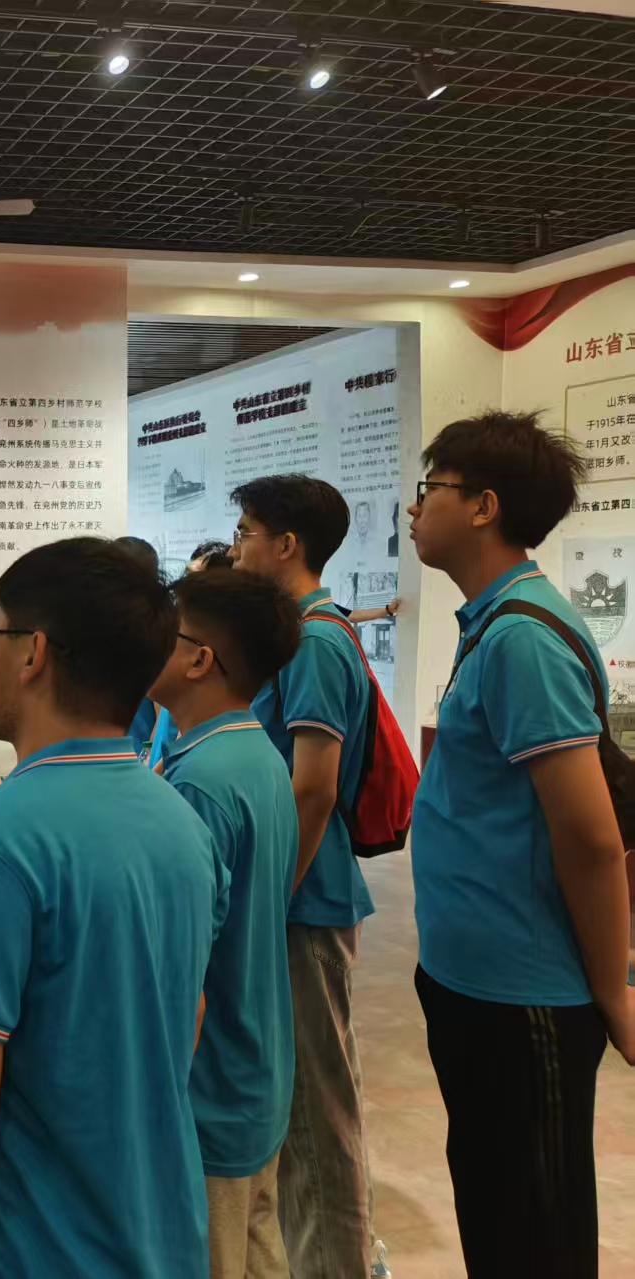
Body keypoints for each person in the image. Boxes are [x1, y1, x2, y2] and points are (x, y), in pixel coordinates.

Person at [0, 538, 225, 1276]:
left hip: (32, 1246)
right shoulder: (182, 821)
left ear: (32, 652)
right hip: (163, 1231)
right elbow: (191, 1012)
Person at [408, 410, 635, 1275]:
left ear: (483, 506)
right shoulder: (496, 622)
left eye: (430, 489)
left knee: (535, 1228)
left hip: (522, 994)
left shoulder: (523, 640)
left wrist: (612, 989)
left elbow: (590, 837)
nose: (415, 508)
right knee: (499, 1207)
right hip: (475, 980)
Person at [230, 473, 376, 1276]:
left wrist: (269, 895)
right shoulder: (300, 633)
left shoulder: (316, 640)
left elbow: (313, 786)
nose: (238, 547)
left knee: (319, 1113)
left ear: (287, 544)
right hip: (294, 899)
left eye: (247, 532)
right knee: (300, 1106)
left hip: (304, 903)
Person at [150, 568, 302, 1279]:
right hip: (257, 1069)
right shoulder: (256, 754)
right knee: (258, 1248)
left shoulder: (200, 781)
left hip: (212, 1086)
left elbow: (186, 960)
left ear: (198, 659)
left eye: (164, 632)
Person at [118, 536, 176, 764]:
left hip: (136, 762)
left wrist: (148, 763)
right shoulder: (115, 628)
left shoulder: (155, 632)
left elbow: (164, 712)